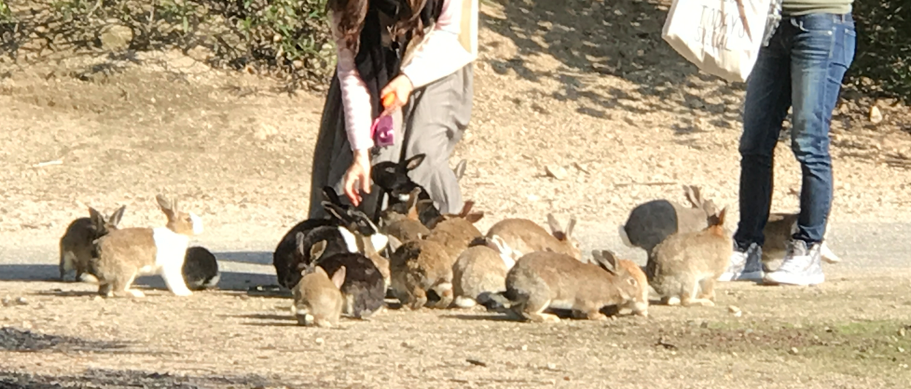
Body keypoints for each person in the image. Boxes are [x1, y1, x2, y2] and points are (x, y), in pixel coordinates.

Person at [719, 0, 856, 286]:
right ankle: (747, 247)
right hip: (770, 23)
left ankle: (808, 248)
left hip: (821, 23)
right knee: (754, 143)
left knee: (809, 143)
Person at [308, 0, 478, 220]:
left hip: (443, 52)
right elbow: (350, 72)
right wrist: (361, 152)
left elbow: (455, 32)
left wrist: (409, 78)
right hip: (373, 65)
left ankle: (443, 238)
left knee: (425, 154)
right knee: (372, 158)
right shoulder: (347, 5)